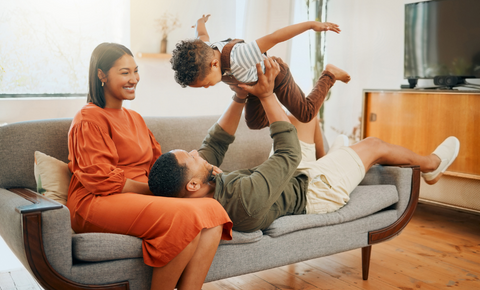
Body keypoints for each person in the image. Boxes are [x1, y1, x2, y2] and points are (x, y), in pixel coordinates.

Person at [148, 57, 460, 233]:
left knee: (303, 118)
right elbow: (288, 152)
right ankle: (432, 165)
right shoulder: (242, 200)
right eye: (189, 157)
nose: (194, 153)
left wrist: (242, 95)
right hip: (315, 191)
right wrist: (267, 94)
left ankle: (338, 158)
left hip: (290, 176)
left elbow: (215, 142)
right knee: (373, 143)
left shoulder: (203, 183)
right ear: (191, 185)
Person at [66, 42, 233, 290]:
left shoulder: (135, 118)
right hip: (96, 200)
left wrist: (206, 175)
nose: (134, 78)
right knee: (184, 217)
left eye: (135, 71)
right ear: (101, 75)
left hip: (136, 195)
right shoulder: (88, 117)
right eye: (125, 73)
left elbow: (160, 165)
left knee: (212, 211)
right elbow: (99, 179)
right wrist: (152, 191)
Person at [170, 14, 350, 144]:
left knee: (306, 114)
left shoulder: (239, 56)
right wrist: (199, 21)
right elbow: (201, 35)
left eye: (206, 84)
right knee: (254, 123)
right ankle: (284, 112)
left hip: (276, 75)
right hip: (254, 86)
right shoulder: (205, 49)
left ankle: (329, 74)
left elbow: (275, 37)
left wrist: (311, 25)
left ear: (215, 64)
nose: (208, 88)